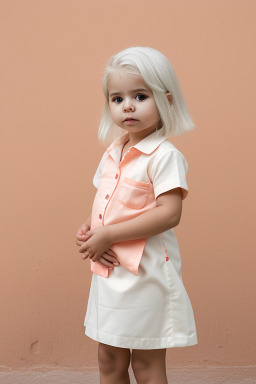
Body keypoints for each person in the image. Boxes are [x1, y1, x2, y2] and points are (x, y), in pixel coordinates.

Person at [76, 46, 198, 384]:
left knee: (145, 362)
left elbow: (170, 213)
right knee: (108, 355)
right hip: (110, 270)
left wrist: (110, 234)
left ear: (166, 100)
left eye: (140, 95)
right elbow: (107, 201)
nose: (127, 105)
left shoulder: (164, 156)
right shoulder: (113, 152)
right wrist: (91, 228)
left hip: (146, 274)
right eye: (117, 99)